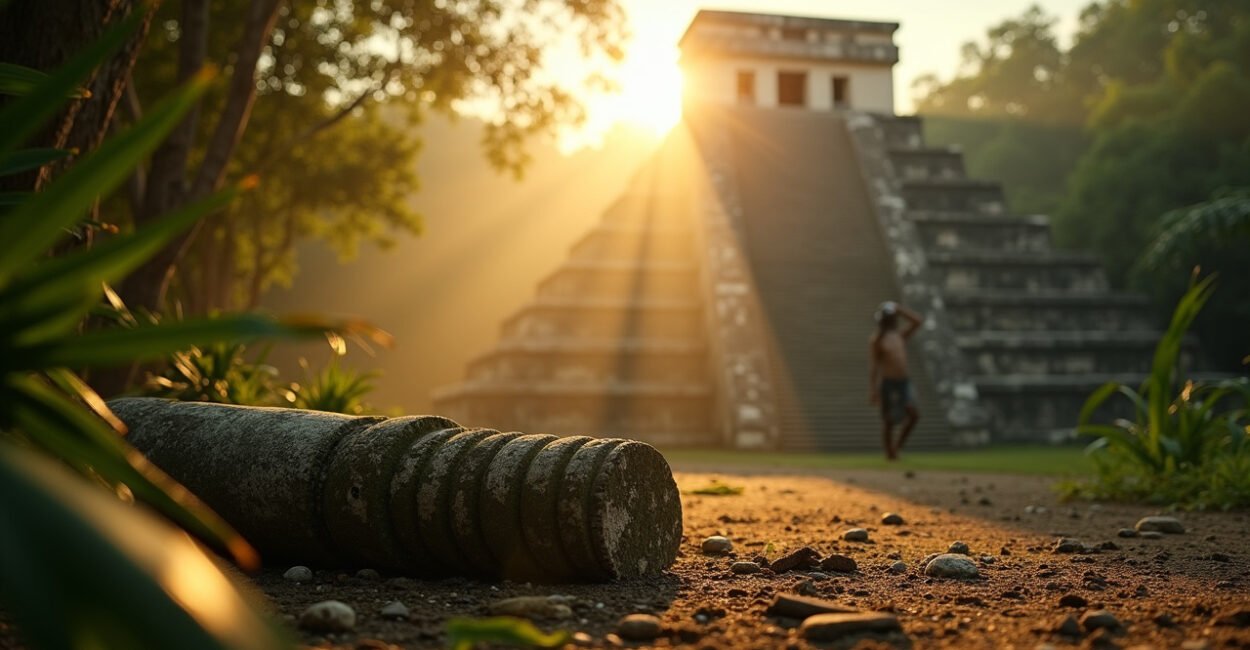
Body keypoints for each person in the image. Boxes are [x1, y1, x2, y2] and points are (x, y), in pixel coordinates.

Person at [868, 301, 923, 460]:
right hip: (888, 382)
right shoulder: (877, 340)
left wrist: (899, 309)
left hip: (904, 382)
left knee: (913, 415)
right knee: (889, 420)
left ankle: (897, 447)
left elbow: (918, 321)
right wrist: (873, 390)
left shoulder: (899, 336)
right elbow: (874, 366)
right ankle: (889, 453)